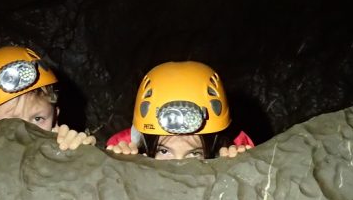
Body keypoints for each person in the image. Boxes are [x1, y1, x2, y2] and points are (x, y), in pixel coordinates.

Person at [106, 61, 254, 159]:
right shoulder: (126, 149)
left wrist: (237, 171)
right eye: (164, 151)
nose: (177, 166)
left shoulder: (229, 150)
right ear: (145, 144)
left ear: (214, 146)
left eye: (194, 154)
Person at [0, 46, 95, 150]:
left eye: (38, 119)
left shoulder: (59, 146)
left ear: (55, 118)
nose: (27, 132)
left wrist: (80, 154)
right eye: (12, 121)